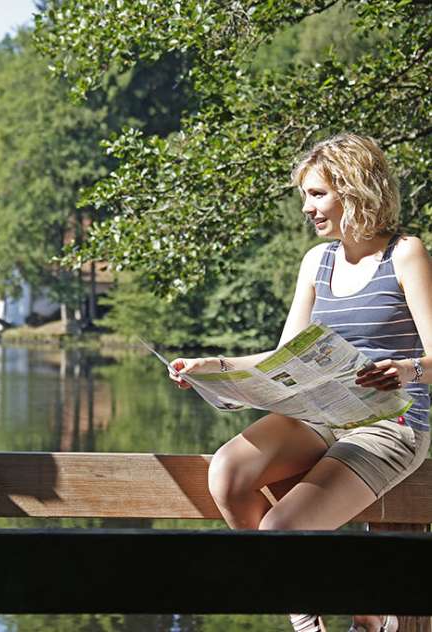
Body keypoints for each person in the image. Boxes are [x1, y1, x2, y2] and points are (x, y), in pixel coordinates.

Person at [168, 134, 431, 632]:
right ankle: (341, 616)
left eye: (316, 194)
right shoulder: (317, 261)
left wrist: (406, 370)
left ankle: (340, 620)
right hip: (324, 412)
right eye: (305, 196)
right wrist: (213, 368)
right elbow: (281, 356)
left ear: (355, 189)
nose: (308, 207)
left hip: (392, 420)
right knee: (227, 472)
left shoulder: (406, 254)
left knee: (282, 528)